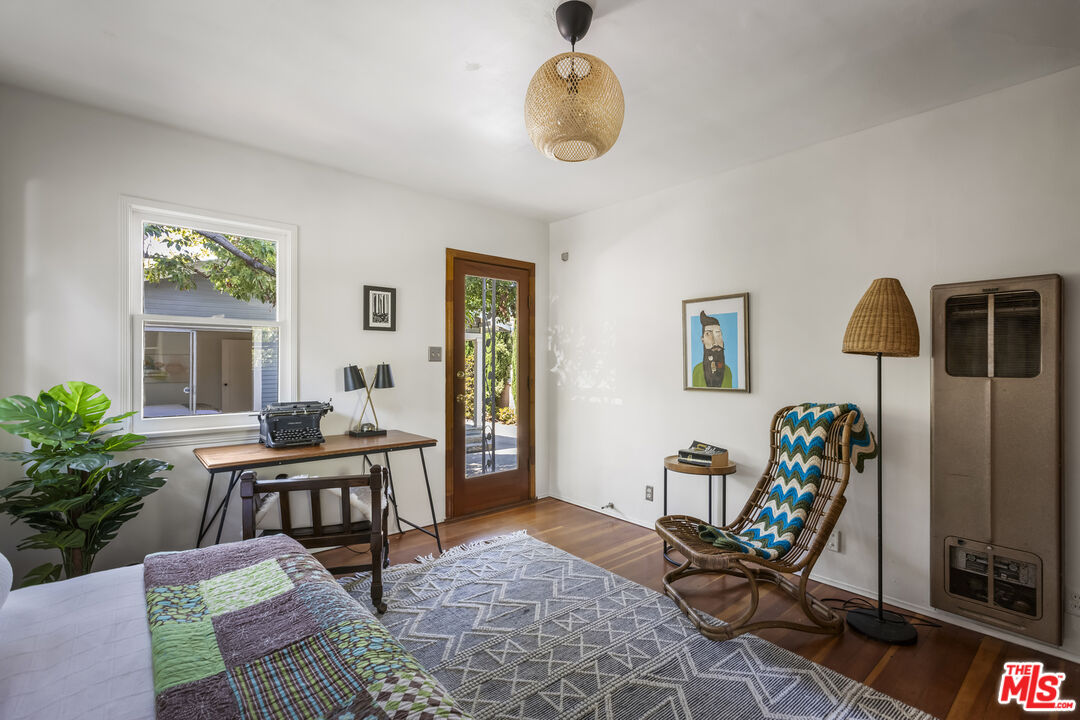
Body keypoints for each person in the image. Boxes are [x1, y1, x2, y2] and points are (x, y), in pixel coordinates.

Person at [692, 311, 733, 388]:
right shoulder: (697, 371)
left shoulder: (728, 371)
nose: (715, 342)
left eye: (718, 334)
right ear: (702, 340)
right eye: (708, 334)